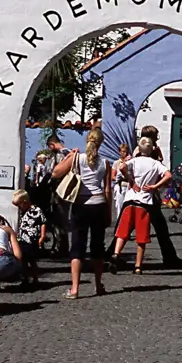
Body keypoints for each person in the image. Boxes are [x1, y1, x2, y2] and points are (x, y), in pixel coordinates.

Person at [51, 128, 110, 299]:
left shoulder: (77, 158)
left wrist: (69, 156)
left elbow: (56, 173)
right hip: (98, 205)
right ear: (101, 142)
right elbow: (107, 190)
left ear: (87, 141)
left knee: (77, 244)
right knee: (98, 246)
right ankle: (98, 285)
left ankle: (75, 288)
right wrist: (108, 212)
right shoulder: (105, 162)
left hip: (80, 204)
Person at [110, 137, 172, 274]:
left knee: (123, 231)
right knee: (142, 235)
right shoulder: (155, 164)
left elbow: (122, 167)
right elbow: (168, 175)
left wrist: (131, 180)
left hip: (130, 198)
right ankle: (138, 266)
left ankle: (116, 254)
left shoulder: (134, 161)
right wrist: (155, 186)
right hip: (145, 201)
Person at [134, 125, 182, 266]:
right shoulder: (148, 151)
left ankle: (113, 253)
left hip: (143, 193)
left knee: (131, 225)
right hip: (148, 194)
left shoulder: (139, 150)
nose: (157, 137)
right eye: (156, 135)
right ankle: (169, 257)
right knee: (160, 227)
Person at [13, 190, 47, 285]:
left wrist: (43, 236)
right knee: (23, 259)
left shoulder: (36, 210)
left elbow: (43, 222)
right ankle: (26, 277)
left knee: (31, 260)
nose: (19, 207)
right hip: (22, 238)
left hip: (32, 239)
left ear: (25, 201)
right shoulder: (23, 211)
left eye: (20, 205)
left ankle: (35, 278)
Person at [112, 142, 132, 223]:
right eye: (123, 151)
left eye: (126, 151)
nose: (125, 153)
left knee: (128, 207)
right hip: (120, 186)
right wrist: (118, 178)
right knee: (119, 207)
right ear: (120, 152)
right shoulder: (116, 163)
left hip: (129, 186)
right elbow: (112, 176)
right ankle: (119, 225)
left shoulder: (131, 162)